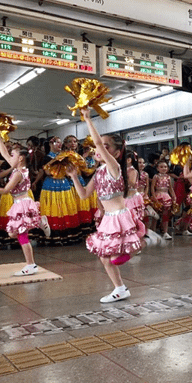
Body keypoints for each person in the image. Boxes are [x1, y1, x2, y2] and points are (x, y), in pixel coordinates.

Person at [68, 107, 148, 303]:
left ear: (117, 152)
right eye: (99, 147)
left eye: (105, 147)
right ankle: (120, 289)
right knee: (104, 257)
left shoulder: (114, 168)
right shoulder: (99, 172)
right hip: (108, 219)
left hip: (120, 215)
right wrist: (73, 176)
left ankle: (139, 244)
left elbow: (97, 143)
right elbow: (84, 194)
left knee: (112, 257)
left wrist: (88, 119)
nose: (99, 149)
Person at [0, 132, 50, 276]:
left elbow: (5, 190)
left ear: (20, 158)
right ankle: (40, 221)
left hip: (22, 203)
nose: (10, 157)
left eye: (13, 155)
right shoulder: (19, 167)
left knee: (22, 235)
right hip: (21, 202)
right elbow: (4, 154)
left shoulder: (18, 173)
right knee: (11, 233)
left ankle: (31, 264)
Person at [37, 137, 81, 245]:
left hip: (64, 183)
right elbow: (47, 172)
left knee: (65, 207)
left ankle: (66, 234)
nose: (59, 144)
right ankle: (52, 235)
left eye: (60, 142)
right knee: (53, 208)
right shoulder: (46, 158)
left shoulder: (65, 156)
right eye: (57, 142)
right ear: (51, 144)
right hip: (51, 184)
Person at [151, 159, 176, 239]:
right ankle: (153, 231)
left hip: (166, 196)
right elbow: (152, 188)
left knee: (166, 215)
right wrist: (154, 197)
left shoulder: (168, 177)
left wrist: (173, 196)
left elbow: (170, 188)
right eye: (161, 167)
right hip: (158, 195)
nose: (164, 168)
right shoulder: (156, 176)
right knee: (155, 215)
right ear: (157, 168)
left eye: (165, 167)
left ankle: (165, 232)